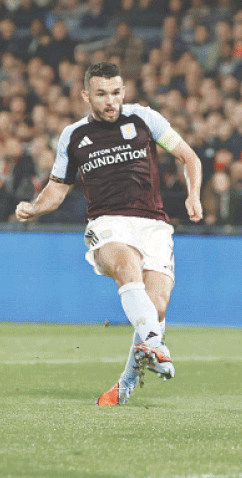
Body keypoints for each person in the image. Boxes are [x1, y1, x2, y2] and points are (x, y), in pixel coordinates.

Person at [15, 62, 204, 406]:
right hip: (108, 221)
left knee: (156, 307)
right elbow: (57, 190)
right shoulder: (73, 136)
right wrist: (34, 207)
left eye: (116, 93)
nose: (110, 101)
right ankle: (156, 344)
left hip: (154, 225)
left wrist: (193, 194)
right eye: (101, 94)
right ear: (86, 95)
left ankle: (127, 382)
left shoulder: (145, 119)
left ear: (123, 91)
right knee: (123, 264)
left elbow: (188, 157)